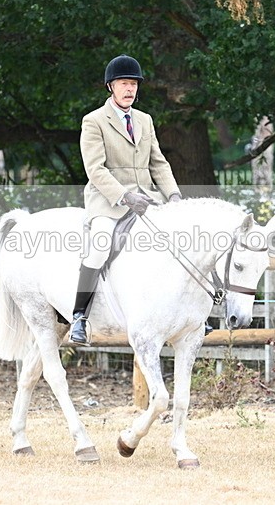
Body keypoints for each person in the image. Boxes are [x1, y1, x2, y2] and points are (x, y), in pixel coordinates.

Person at [69, 54, 182, 346]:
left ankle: (187, 314)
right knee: (100, 244)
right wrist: (124, 195)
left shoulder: (144, 120)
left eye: (133, 84)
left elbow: (158, 163)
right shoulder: (93, 121)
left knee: (179, 240)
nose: (129, 89)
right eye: (123, 83)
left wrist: (173, 194)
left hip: (146, 198)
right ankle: (79, 315)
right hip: (108, 201)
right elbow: (95, 169)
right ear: (110, 86)